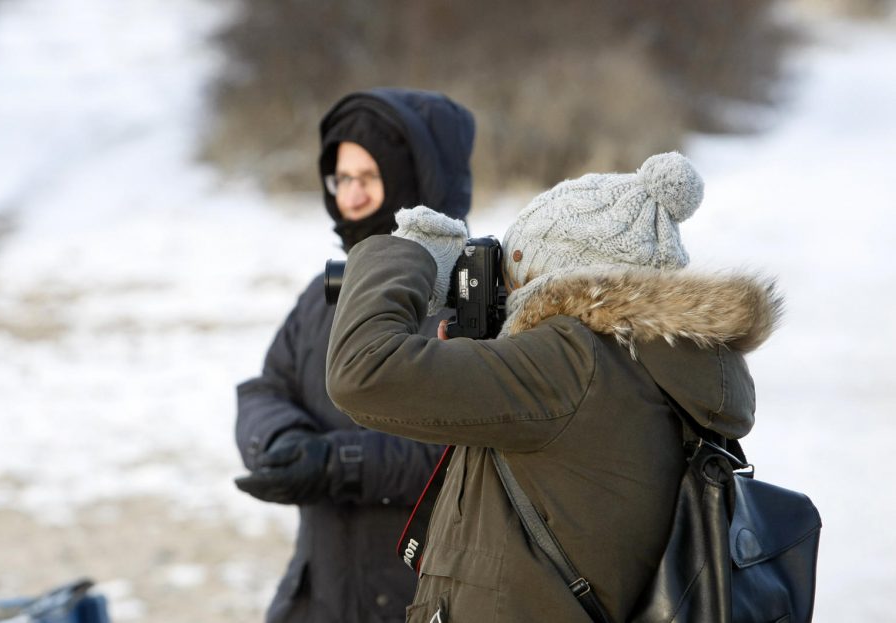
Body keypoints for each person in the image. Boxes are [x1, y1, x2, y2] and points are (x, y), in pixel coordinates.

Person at [326, 152, 784, 622]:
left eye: (510, 276)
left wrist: (414, 254)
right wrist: (486, 349)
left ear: (550, 284)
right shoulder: (652, 367)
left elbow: (363, 371)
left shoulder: (572, 365)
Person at [234, 88, 475, 622]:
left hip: (422, 599)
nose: (352, 197)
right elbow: (267, 387)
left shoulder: (470, 300)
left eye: (368, 177)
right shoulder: (324, 294)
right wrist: (279, 443)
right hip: (318, 594)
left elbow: (462, 451)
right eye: (342, 179)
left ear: (413, 180)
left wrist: (335, 464)